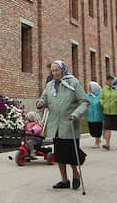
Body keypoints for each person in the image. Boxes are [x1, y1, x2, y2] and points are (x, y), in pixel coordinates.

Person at [36, 61, 89, 190]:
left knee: (71, 154)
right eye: (52, 71)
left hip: (69, 124)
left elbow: (84, 102)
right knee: (59, 155)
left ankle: (75, 174)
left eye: (57, 70)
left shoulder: (74, 83)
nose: (54, 73)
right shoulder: (49, 85)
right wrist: (41, 103)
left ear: (63, 70)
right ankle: (64, 180)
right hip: (56, 125)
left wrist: (76, 114)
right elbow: (44, 98)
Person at [100, 75, 117, 150]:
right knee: (106, 128)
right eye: (108, 80)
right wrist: (103, 104)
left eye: (110, 80)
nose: (109, 82)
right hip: (107, 112)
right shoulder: (105, 88)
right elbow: (101, 98)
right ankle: (107, 144)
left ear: (114, 80)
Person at [86, 81, 104, 148]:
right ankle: (97, 140)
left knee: (97, 129)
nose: (89, 89)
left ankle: (97, 142)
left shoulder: (100, 95)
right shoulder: (88, 95)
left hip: (98, 115)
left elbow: (102, 102)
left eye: (90, 87)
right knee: (92, 130)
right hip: (90, 115)